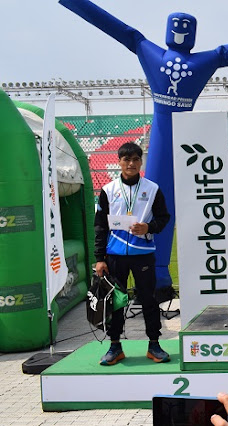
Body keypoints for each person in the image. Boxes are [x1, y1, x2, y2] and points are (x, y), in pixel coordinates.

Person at [94, 142, 171, 365]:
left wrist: (149, 227)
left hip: (143, 254)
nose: (131, 163)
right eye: (126, 159)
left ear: (141, 162)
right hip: (115, 255)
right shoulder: (108, 190)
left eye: (135, 159)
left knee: (148, 298)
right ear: (119, 162)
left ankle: (154, 344)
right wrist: (99, 258)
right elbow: (100, 226)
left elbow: (164, 218)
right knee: (116, 301)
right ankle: (115, 346)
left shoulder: (152, 189)